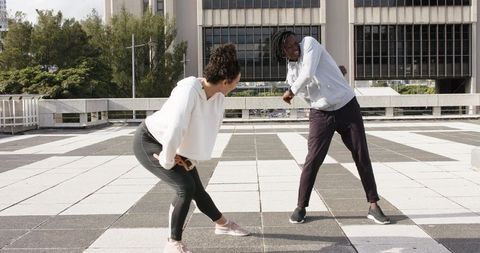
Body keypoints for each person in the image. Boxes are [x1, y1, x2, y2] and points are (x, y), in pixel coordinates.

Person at [133, 44, 250, 253]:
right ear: (225, 82)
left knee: (196, 188)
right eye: (236, 82)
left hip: (173, 144)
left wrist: (188, 160)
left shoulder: (218, 98)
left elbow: (204, 133)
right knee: (185, 187)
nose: (236, 85)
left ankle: (222, 224)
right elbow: (176, 127)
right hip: (149, 140)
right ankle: (172, 242)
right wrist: (168, 160)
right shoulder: (188, 90)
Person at [271, 30, 390, 225]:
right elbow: (306, 92)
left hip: (347, 107)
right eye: (289, 48)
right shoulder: (291, 72)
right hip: (321, 114)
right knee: (313, 159)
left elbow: (308, 72)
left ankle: (373, 204)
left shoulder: (309, 43)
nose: (295, 49)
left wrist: (291, 92)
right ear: (282, 52)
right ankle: (301, 206)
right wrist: (330, 75)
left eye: (295, 44)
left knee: (361, 154)